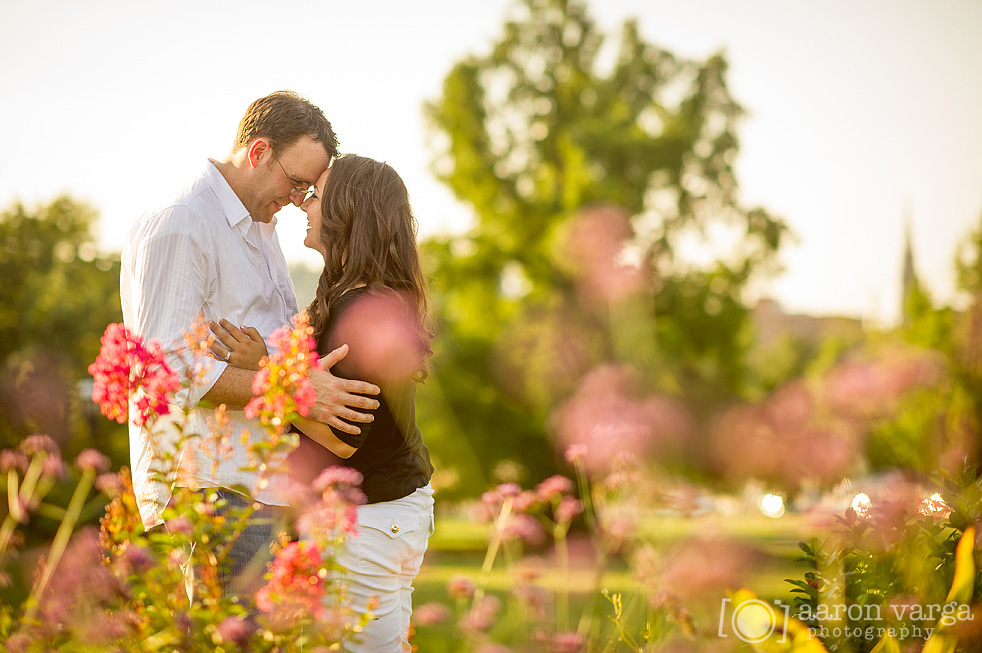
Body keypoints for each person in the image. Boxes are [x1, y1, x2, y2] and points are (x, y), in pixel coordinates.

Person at [120, 91, 381, 597]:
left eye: (309, 188)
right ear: (259, 152)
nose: (299, 198)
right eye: (297, 181)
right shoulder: (182, 223)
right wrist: (295, 392)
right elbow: (166, 371)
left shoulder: (260, 226)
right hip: (205, 490)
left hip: (261, 485)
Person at [215, 154, 436, 652]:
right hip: (389, 511)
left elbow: (342, 434)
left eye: (316, 194)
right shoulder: (354, 297)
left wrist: (266, 377)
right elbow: (321, 395)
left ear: (347, 212)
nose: (303, 204)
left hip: (373, 518)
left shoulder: (361, 311)